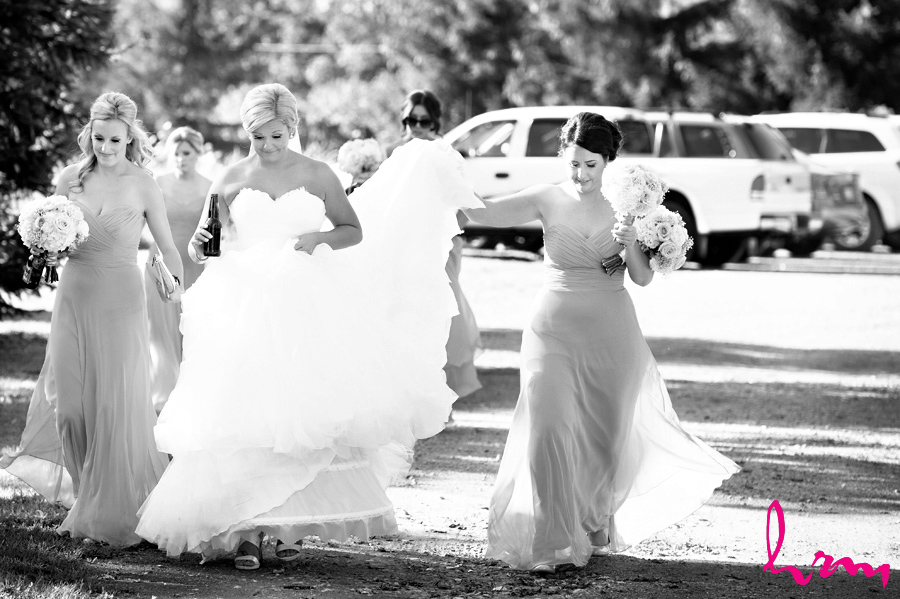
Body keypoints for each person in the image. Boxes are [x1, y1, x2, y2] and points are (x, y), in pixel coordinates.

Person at [135, 83, 479, 570]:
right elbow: (203, 243)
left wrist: (317, 239)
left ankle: (285, 526)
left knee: (299, 413)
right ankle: (246, 531)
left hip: (307, 304)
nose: (268, 145)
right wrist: (200, 245)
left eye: (277, 136)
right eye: (258, 137)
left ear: (292, 129)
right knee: (248, 413)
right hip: (244, 305)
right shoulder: (230, 178)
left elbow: (353, 230)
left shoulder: (318, 174)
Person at [463, 112, 740, 572]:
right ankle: (552, 542)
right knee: (547, 430)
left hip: (612, 336)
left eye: (590, 165)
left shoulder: (631, 208)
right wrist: (435, 183)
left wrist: (631, 241)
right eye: (573, 163)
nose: (581, 174)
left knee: (602, 442)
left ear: (608, 161)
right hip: (551, 330)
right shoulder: (546, 198)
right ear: (562, 157)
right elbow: (480, 212)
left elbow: (642, 279)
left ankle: (592, 524)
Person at [0, 92, 182, 545]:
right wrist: (43, 252)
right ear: (90, 134)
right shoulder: (70, 178)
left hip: (122, 299)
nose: (105, 147)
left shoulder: (144, 184)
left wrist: (175, 283)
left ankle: (105, 507)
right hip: (75, 295)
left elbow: (168, 246)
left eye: (115, 140)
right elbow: (53, 243)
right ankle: (86, 494)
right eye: (99, 138)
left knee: (112, 407)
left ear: (130, 138)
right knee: (70, 408)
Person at [389, 89, 483, 398]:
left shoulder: (444, 154)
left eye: (424, 120)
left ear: (435, 121)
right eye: (410, 120)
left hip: (440, 245)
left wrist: (445, 230)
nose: (416, 126)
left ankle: (444, 390)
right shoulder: (393, 153)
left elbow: (466, 202)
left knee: (443, 305)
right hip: (401, 245)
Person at [145, 126, 212, 413]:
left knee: (193, 331)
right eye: (176, 153)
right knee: (161, 333)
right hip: (159, 265)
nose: (181, 158)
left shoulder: (211, 187)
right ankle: (163, 397)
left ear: (198, 153)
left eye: (186, 153)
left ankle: (193, 397)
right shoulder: (155, 184)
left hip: (196, 266)